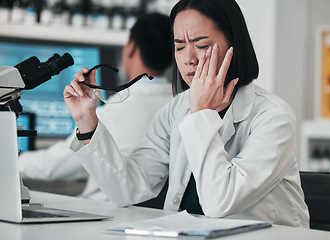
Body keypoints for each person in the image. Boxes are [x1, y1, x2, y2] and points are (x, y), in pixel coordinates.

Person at [64, 0, 310, 228]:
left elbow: (220, 202)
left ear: (235, 45)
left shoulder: (273, 117)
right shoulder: (176, 109)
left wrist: (202, 112)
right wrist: (87, 122)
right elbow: (128, 189)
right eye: (179, 46)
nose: (189, 59)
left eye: (201, 45)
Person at [19, 13, 174, 201]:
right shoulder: (178, 105)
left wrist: (11, 159)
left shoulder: (115, 110)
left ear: (131, 47)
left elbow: (53, 167)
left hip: (107, 211)